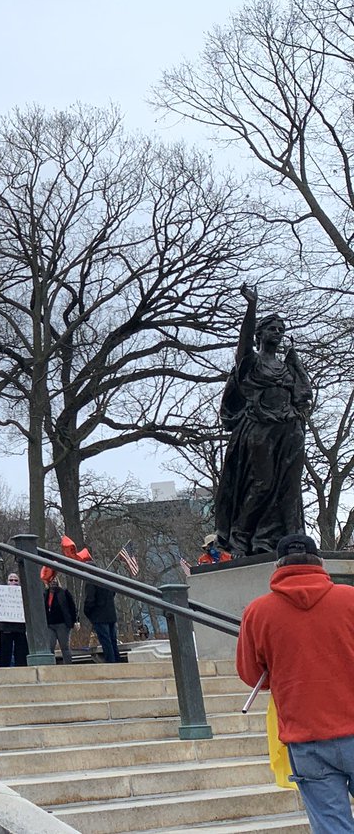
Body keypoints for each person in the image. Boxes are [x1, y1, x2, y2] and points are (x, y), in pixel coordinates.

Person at [238, 533, 354, 831]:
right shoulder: (350, 599)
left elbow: (251, 675)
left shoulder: (257, 612)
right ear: (320, 563)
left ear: (277, 566)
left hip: (306, 737)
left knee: (331, 826)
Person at [215, 283, 312, 557]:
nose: (278, 333)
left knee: (289, 488)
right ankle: (240, 537)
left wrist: (298, 415)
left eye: (281, 330)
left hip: (290, 430)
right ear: (260, 334)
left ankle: (280, 539)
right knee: (262, 484)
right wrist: (251, 307)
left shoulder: (287, 366)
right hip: (259, 429)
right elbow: (243, 343)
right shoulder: (251, 363)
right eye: (273, 329)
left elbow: (303, 396)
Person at [82, 559, 120, 663]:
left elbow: (90, 600)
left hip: (99, 617)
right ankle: (117, 661)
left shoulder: (91, 582)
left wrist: (87, 612)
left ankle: (111, 663)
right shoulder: (106, 580)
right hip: (111, 615)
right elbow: (113, 593)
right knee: (113, 640)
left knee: (106, 641)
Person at [0, 571, 27, 668]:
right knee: (4, 652)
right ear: (7, 582)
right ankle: (3, 671)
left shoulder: (24, 593)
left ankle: (23, 671)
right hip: (5, 627)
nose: (13, 582)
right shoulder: (0, 593)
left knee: (21, 652)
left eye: (16, 580)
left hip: (20, 627)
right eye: (11, 580)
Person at [45, 576, 78, 664]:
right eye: (51, 580)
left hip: (62, 624)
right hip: (49, 625)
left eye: (55, 579)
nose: (53, 582)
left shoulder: (64, 593)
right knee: (50, 647)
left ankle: (68, 665)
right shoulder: (45, 594)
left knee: (64, 647)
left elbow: (72, 607)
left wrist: (75, 621)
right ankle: (50, 666)